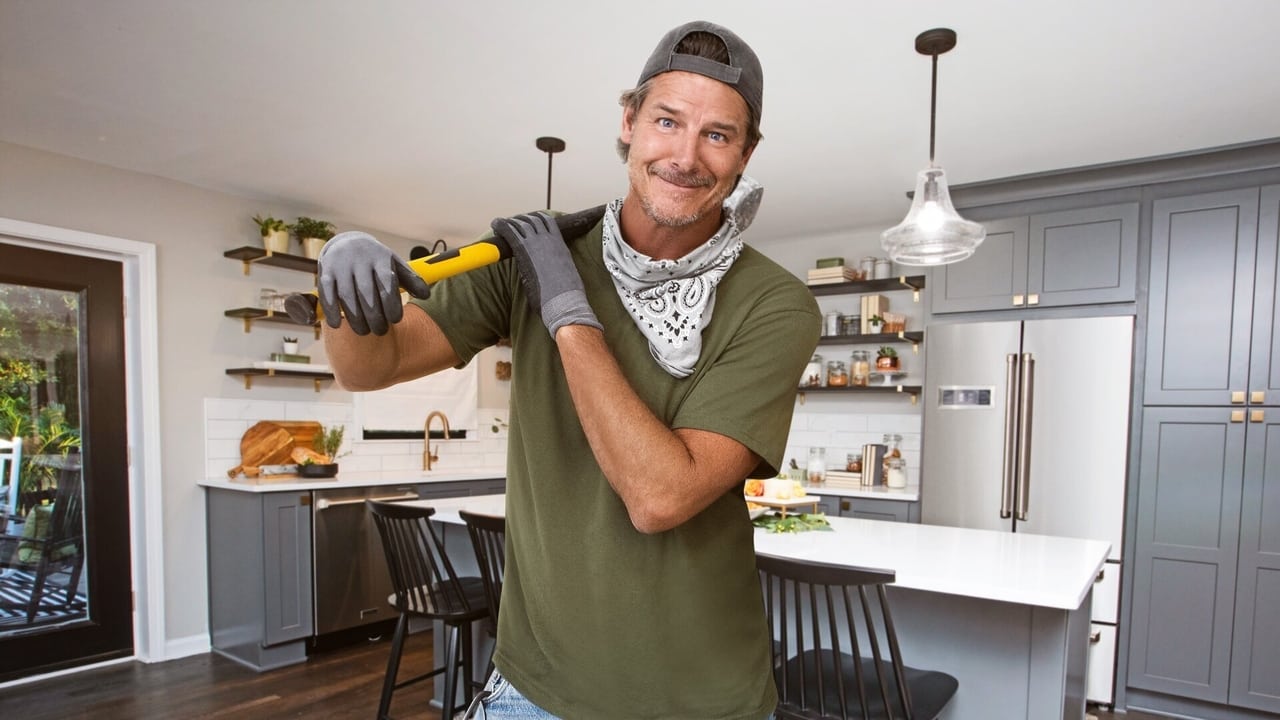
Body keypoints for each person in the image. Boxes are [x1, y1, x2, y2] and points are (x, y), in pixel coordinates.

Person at [318, 20, 820, 719]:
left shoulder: (775, 305)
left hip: (699, 701)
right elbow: (372, 368)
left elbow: (659, 497)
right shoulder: (532, 251)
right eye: (667, 121)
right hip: (532, 688)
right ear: (629, 121)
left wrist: (565, 307)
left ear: (745, 154)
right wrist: (343, 288)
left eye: (717, 134)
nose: (685, 156)